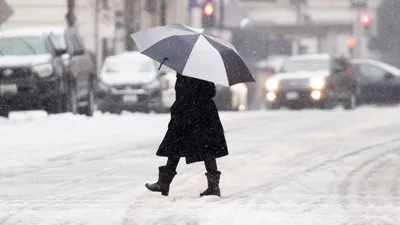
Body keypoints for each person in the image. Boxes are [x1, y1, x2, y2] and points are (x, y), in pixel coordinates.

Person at [145, 73, 229, 197]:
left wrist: (186, 100)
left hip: (190, 113)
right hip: (199, 113)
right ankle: (213, 187)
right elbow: (210, 91)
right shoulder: (200, 70)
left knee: (179, 146)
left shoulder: (190, 72)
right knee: (202, 148)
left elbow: (199, 91)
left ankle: (164, 183)